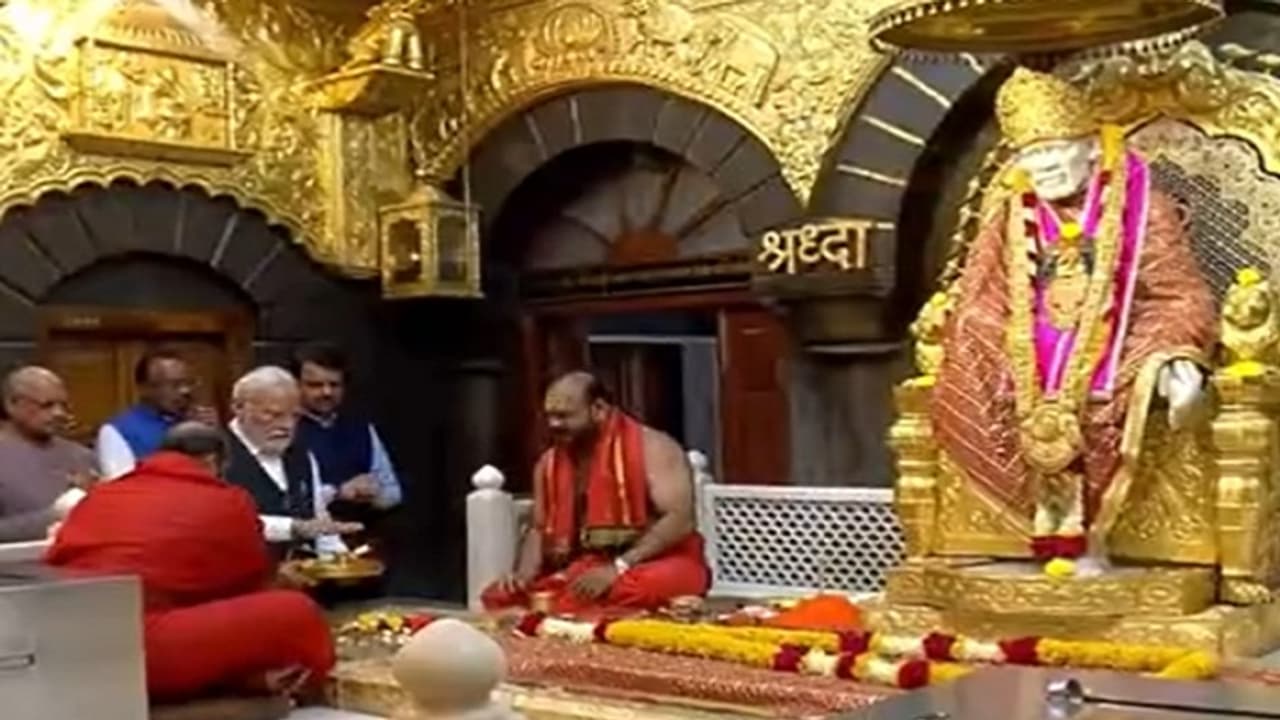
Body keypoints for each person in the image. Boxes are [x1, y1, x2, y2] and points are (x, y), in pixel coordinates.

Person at [932, 67, 1215, 566]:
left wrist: (1173, 356)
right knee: (975, 332)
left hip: (1120, 341)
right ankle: (1016, 531)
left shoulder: (1143, 206)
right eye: (1029, 154)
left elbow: (1177, 295)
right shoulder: (1010, 214)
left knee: (1125, 380)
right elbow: (981, 294)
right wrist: (1001, 338)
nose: (1042, 166)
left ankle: (1096, 541)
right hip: (1023, 348)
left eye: (1053, 149)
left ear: (1089, 144)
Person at [46, 422, 335, 705]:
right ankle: (266, 685)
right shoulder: (226, 500)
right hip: (142, 650)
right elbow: (249, 582)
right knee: (295, 611)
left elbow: (59, 555)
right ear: (212, 462)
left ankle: (245, 682)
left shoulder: (100, 495)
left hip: (69, 644)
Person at [481, 371, 710, 615]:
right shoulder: (549, 463)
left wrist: (618, 567)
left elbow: (680, 519)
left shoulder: (653, 447)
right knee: (502, 595)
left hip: (662, 562)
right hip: (591, 566)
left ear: (598, 409)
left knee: (630, 589)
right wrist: (522, 576)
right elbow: (540, 527)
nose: (553, 424)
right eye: (549, 416)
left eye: (564, 416)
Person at [224, 366, 360, 554]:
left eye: (295, 415)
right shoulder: (214, 455)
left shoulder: (302, 455)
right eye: (273, 415)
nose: (287, 425)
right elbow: (218, 522)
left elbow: (318, 516)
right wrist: (292, 528)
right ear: (238, 408)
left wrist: (340, 560)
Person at [292, 342, 401, 524]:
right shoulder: (285, 430)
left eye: (334, 385)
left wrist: (373, 494)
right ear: (296, 385)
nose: (327, 392)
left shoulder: (362, 428)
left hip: (360, 536)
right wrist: (339, 492)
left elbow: (393, 492)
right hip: (307, 539)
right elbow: (286, 497)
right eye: (315, 385)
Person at [0, 366, 97, 542]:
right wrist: (55, 516)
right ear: (11, 404)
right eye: (47, 405)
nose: (59, 413)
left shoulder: (82, 456)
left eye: (63, 406)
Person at [96, 349, 218, 480]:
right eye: (175, 385)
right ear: (145, 389)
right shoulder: (118, 431)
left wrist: (211, 436)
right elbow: (122, 487)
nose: (185, 391)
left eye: (189, 383)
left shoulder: (197, 424)